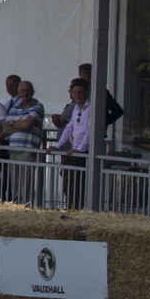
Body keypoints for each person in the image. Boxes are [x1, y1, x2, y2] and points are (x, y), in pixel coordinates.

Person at [51, 78, 92, 207]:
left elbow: (89, 131)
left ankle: (78, 210)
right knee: (69, 185)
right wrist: (58, 145)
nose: (77, 96)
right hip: (74, 150)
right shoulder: (75, 109)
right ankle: (71, 209)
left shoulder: (90, 108)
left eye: (80, 92)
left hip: (83, 152)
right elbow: (69, 127)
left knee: (79, 186)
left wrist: (80, 149)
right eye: (74, 93)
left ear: (85, 93)